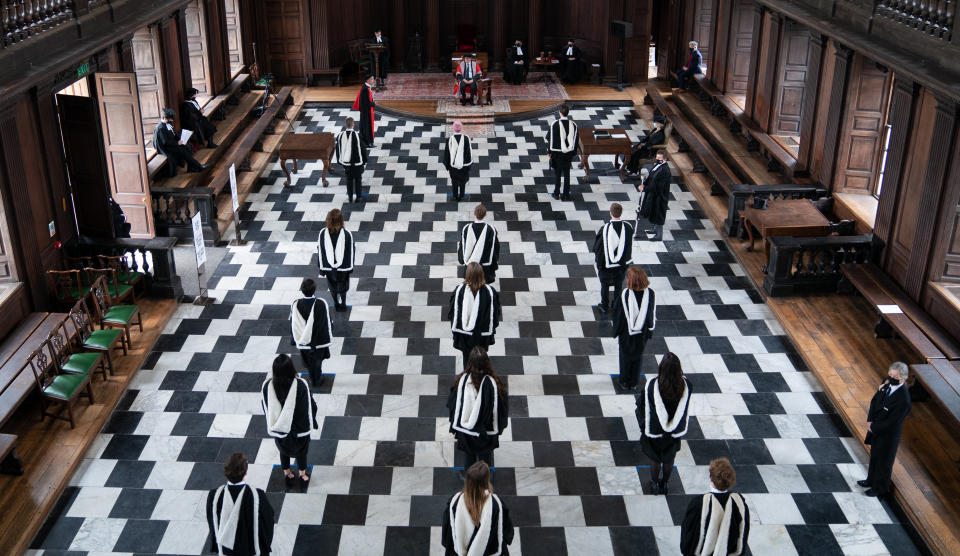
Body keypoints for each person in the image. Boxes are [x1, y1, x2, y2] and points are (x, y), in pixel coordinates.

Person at [636, 352, 691, 494]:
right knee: (669, 458)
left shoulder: (653, 385)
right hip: (673, 433)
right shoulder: (686, 386)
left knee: (655, 458)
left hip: (655, 430)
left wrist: (643, 424)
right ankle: (665, 483)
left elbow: (642, 405)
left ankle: (654, 483)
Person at [447, 347, 509, 471]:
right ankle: (485, 480)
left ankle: (469, 480)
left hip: (466, 432)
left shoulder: (461, 382)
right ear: (487, 363)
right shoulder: (495, 384)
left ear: (469, 362)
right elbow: (502, 410)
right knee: (485, 459)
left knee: (469, 458)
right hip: (486, 433)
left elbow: (453, 406)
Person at [261, 355, 319, 486]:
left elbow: (266, 407)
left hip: (279, 428)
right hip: (299, 428)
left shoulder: (267, 387)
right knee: (302, 451)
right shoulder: (300, 385)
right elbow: (309, 405)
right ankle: (302, 472)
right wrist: (312, 420)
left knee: (283, 450)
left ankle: (286, 472)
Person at [859, 362, 912, 497]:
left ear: (903, 379)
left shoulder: (904, 400)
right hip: (875, 427)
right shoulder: (887, 383)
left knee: (884, 461)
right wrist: (870, 420)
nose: (891, 378)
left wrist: (873, 427)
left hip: (888, 434)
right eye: (890, 375)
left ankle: (879, 488)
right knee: (875, 456)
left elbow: (893, 422)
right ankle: (870, 480)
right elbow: (874, 400)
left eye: (895, 376)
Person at [206, 453, 275, 555]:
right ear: (245, 473)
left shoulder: (214, 495)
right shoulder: (257, 495)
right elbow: (268, 521)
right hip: (249, 549)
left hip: (227, 551)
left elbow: (212, 522)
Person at [441, 462, 514, 556]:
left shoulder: (454, 503)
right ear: (486, 480)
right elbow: (507, 534)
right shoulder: (496, 505)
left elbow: (446, 537)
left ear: (467, 481)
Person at [680, 458, 750, 556]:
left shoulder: (698, 503)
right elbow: (742, 532)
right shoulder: (739, 502)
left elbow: (688, 533)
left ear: (711, 478)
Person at [612, 266, 655, 390]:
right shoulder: (650, 294)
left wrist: (616, 331)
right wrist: (649, 331)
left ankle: (625, 381)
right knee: (638, 355)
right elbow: (650, 313)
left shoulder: (624, 295)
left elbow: (619, 315)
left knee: (625, 356)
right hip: (642, 332)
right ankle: (634, 381)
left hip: (626, 332)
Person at [448, 262, 501, 361]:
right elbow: (495, 315)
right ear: (482, 274)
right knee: (481, 361)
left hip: (464, 337)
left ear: (467, 274)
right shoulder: (490, 292)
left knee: (467, 361)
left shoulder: (459, 291)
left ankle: (468, 375)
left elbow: (452, 313)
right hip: (482, 337)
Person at [290, 278, 332, 387]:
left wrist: (294, 339)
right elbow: (325, 321)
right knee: (318, 360)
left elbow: (293, 323)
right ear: (315, 289)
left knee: (308, 361)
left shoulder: (296, 303)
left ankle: (311, 377)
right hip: (318, 340)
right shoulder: (320, 303)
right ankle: (317, 379)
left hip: (303, 339)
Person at [594, 203, 634, 313]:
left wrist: (598, 261)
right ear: (621, 213)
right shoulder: (628, 227)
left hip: (606, 265)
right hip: (621, 265)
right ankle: (616, 305)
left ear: (610, 213)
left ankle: (604, 305)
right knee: (618, 286)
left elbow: (599, 248)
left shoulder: (604, 229)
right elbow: (628, 245)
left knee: (605, 286)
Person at [318, 208, 355, 312]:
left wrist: (321, 268)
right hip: (343, 267)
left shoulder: (322, 233)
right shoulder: (347, 234)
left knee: (332, 286)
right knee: (343, 286)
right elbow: (351, 251)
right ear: (341, 220)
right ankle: (343, 304)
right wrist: (350, 268)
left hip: (329, 268)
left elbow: (321, 251)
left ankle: (336, 303)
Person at [153, 108, 207, 177]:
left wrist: (181, 139)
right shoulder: (160, 128)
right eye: (170, 119)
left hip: (172, 144)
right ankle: (199, 167)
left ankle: (191, 168)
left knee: (187, 147)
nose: (172, 121)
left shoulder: (167, 124)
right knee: (182, 150)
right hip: (166, 148)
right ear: (165, 118)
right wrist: (177, 143)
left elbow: (174, 135)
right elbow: (165, 142)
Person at [458, 204, 500, 285]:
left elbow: (462, 246)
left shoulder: (466, 228)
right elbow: (495, 248)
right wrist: (494, 264)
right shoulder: (491, 229)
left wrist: (462, 259)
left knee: (470, 286)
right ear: (485, 214)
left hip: (470, 266)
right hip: (485, 266)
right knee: (483, 287)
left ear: (474, 213)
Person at [547, 104, 579, 201]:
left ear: (559, 113)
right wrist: (572, 154)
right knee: (567, 174)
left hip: (557, 154)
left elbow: (550, 139)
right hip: (568, 154)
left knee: (557, 174)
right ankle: (565, 195)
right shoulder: (573, 125)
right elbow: (575, 140)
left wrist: (549, 152)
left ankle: (556, 193)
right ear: (567, 112)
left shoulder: (555, 124)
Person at [333, 117, 368, 203]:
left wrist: (339, 161)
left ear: (346, 124)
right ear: (353, 125)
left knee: (349, 180)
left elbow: (338, 149)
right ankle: (359, 197)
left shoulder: (340, 135)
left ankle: (350, 197)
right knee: (358, 179)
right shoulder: (357, 135)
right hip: (357, 163)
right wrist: (365, 160)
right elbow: (363, 149)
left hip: (346, 163)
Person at [637, 150, 671, 241]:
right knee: (653, 213)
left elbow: (658, 186)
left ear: (665, 159)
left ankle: (659, 236)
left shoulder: (665, 171)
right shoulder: (658, 165)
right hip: (653, 194)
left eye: (659, 158)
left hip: (659, 196)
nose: (657, 160)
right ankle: (654, 230)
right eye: (657, 158)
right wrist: (645, 184)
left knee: (658, 215)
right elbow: (651, 176)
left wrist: (645, 188)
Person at [444, 120, 474, 201]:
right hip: (464, 167)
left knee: (454, 182)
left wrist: (448, 166)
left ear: (453, 129)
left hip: (453, 167)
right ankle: (461, 195)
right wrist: (468, 167)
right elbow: (469, 153)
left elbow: (447, 154)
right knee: (462, 182)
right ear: (461, 128)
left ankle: (455, 196)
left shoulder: (449, 140)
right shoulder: (466, 139)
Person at [352, 75, 376, 146]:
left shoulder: (365, 87)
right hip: (366, 112)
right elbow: (366, 102)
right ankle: (368, 143)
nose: (373, 80)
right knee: (366, 127)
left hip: (366, 111)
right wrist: (373, 104)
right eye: (372, 79)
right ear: (367, 80)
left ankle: (368, 142)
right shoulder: (365, 89)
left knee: (366, 126)